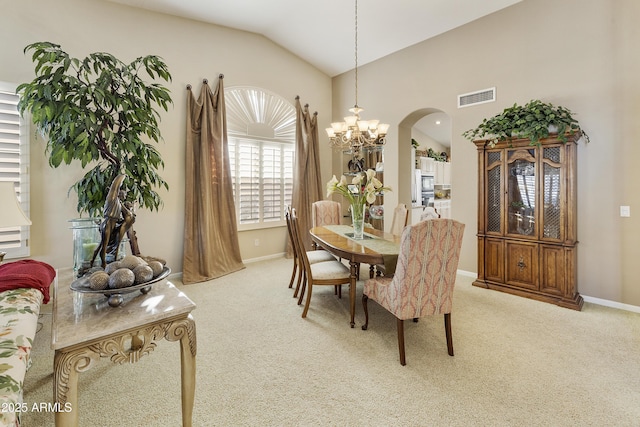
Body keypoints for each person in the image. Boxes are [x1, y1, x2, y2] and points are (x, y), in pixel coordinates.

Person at [91, 174, 136, 268]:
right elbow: (115, 186)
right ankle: (103, 263)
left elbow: (128, 214)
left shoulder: (119, 204)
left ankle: (93, 260)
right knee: (104, 244)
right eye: (124, 194)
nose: (125, 196)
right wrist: (122, 176)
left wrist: (131, 208)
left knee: (102, 244)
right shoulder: (112, 198)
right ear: (118, 193)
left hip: (113, 224)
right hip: (108, 223)